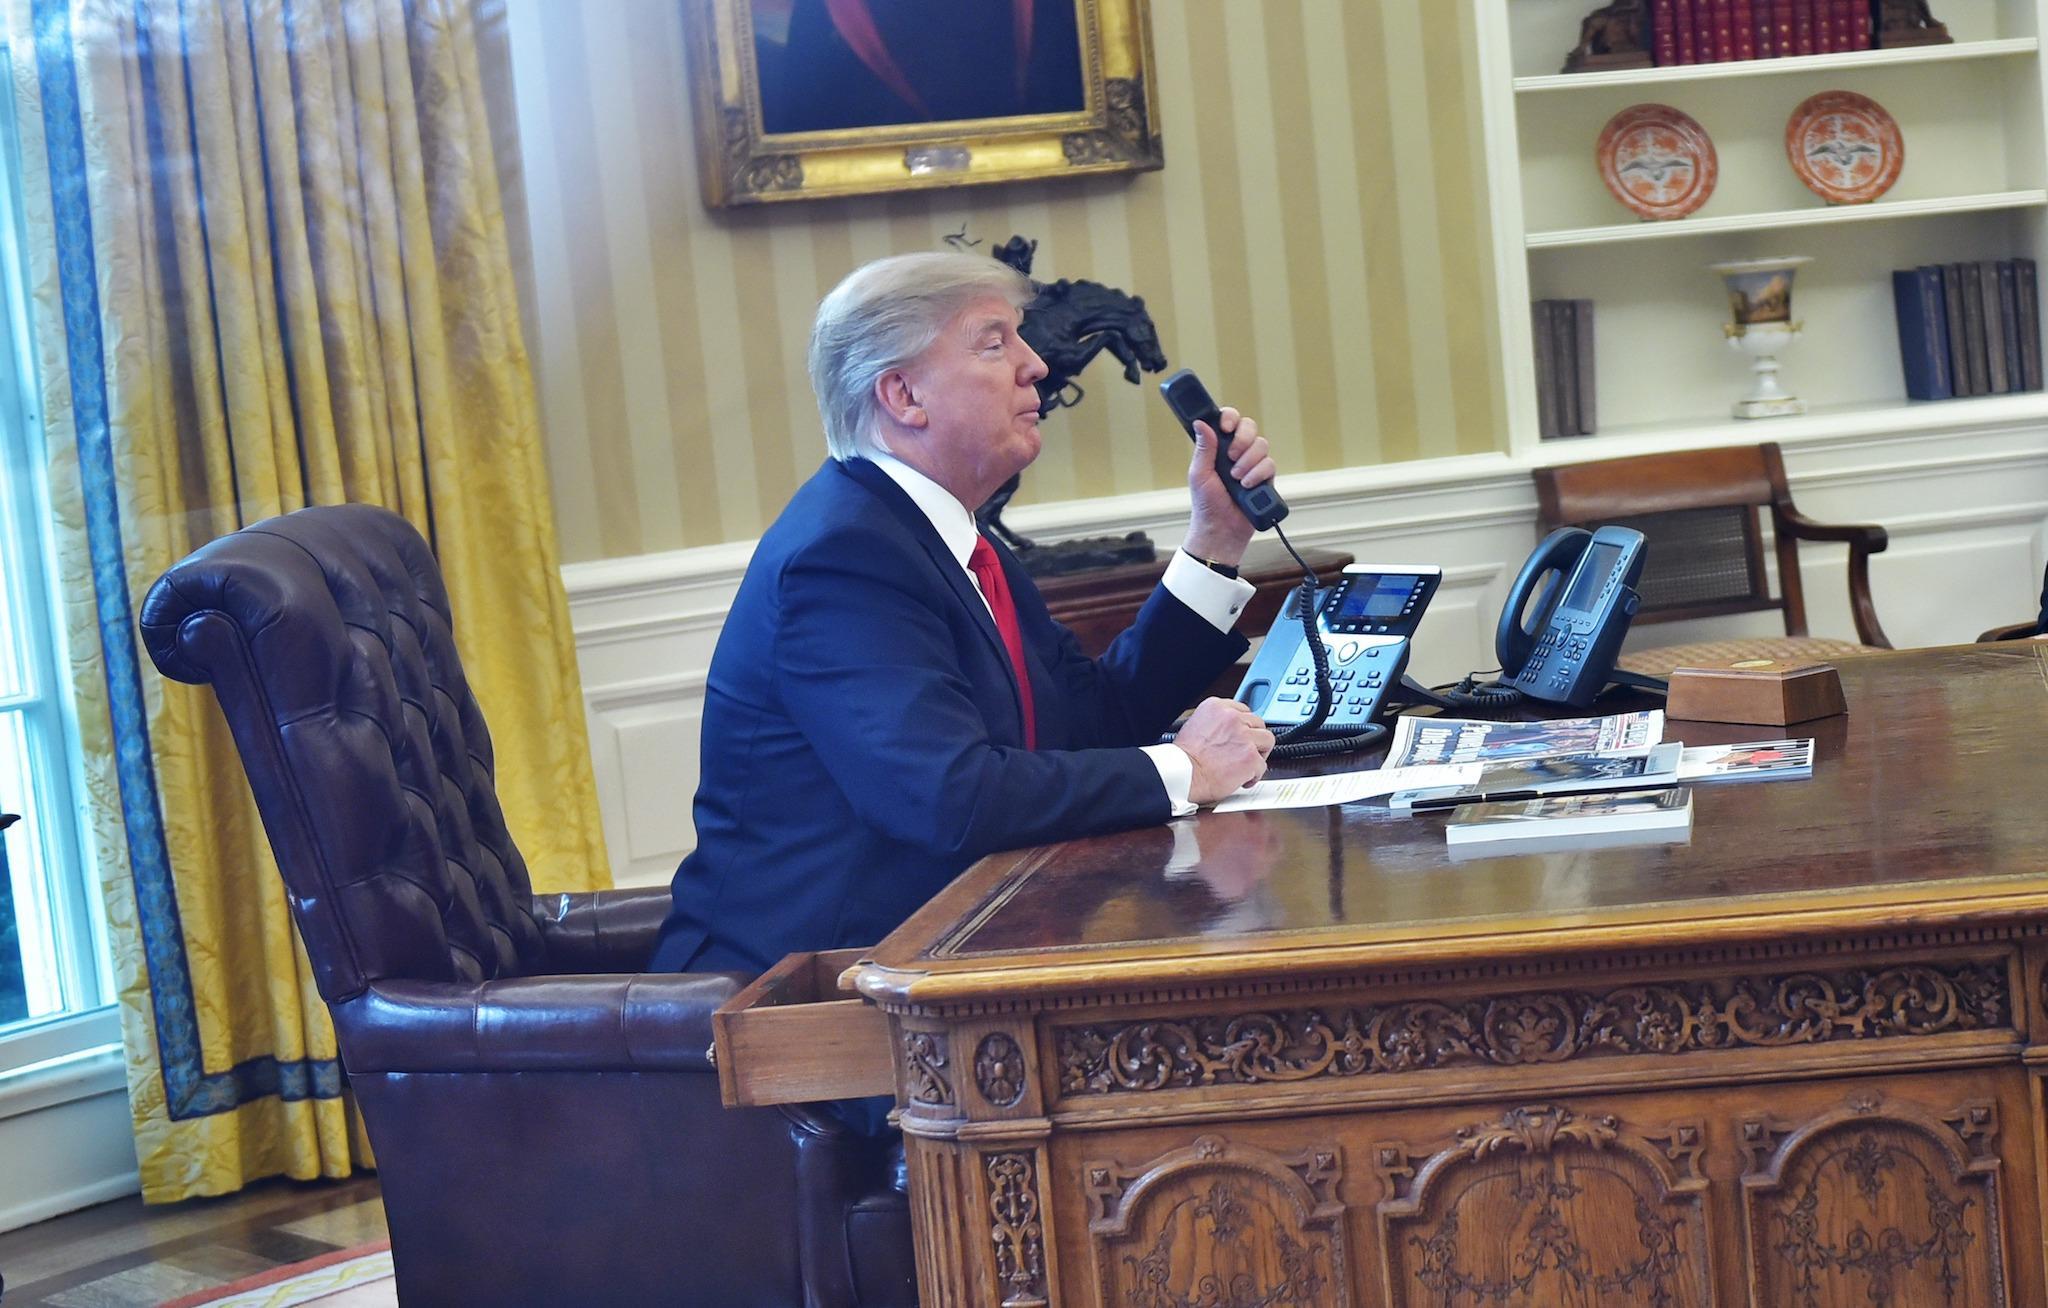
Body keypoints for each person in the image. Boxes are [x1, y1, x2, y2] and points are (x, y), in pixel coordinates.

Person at [649, 251, 1280, 979]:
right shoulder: (843, 557)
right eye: (995, 343)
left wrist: (1216, 540)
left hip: (949, 960)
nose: (1037, 365)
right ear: (903, 396)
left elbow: (1096, 719)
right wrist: (1184, 769)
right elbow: (948, 798)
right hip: (810, 1000)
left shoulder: (946, 538)